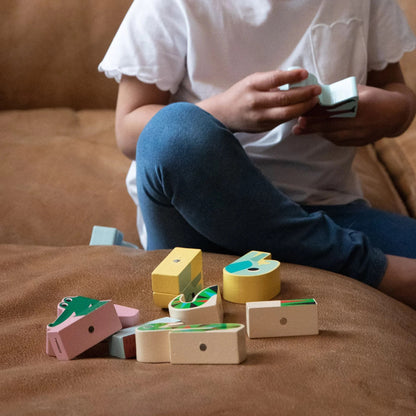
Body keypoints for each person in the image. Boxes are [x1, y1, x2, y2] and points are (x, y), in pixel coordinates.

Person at [99, 0, 416, 308]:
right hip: (198, 226)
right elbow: (129, 129)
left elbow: (395, 90)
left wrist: (394, 112)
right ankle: (368, 267)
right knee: (173, 133)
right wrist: (223, 113)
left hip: (326, 213)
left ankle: (314, 252)